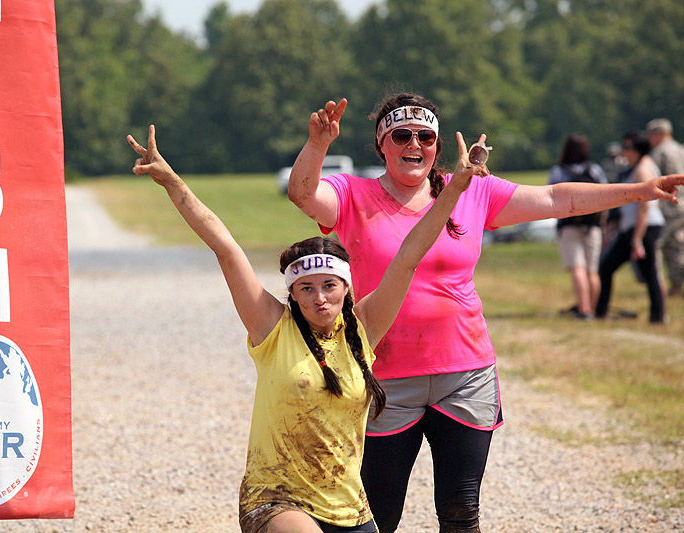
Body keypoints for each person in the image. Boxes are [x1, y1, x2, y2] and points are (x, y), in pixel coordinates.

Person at [287, 93, 684, 533]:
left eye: (426, 136)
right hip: (384, 377)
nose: (413, 144)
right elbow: (303, 194)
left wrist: (640, 191)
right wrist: (318, 144)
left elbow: (557, 199)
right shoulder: (353, 193)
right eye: (401, 135)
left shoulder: (471, 190)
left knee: (461, 513)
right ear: (382, 144)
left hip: (466, 373)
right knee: (376, 515)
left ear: (437, 145)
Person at [126, 124, 481, 533]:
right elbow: (225, 246)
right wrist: (172, 183)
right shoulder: (271, 328)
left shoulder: (364, 327)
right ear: (292, 293)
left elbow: (408, 256)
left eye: (329, 287)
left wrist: (454, 189)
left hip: (349, 508)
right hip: (276, 498)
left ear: (346, 288)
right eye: (305, 289)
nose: (319, 299)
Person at [596, 130, 669, 323]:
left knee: (649, 273)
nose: (623, 151)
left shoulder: (642, 169)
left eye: (627, 147)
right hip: (632, 229)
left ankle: (658, 317)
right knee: (607, 268)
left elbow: (645, 206)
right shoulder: (635, 167)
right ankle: (601, 312)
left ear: (638, 149)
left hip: (643, 229)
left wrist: (637, 239)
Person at [547, 134, 608, 319]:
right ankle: (593, 308)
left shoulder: (558, 172)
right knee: (592, 270)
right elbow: (605, 197)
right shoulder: (595, 170)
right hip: (592, 226)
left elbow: (550, 198)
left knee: (577, 268)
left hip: (569, 226)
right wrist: (601, 224)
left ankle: (584, 310)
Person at [647, 118, 684, 297]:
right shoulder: (681, 150)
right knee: (679, 244)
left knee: (666, 247)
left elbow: (653, 181)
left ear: (658, 134)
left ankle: (673, 286)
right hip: (683, 206)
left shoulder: (659, 153)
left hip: (669, 207)